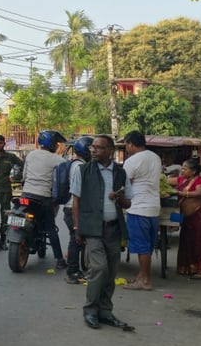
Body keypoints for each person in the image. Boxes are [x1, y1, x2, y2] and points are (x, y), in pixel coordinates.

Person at [70, 134, 133, 330]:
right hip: (92, 229)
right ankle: (90, 310)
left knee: (111, 272)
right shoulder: (83, 170)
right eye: (93, 147)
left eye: (98, 147)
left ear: (110, 151)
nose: (93, 150)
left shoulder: (120, 174)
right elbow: (76, 201)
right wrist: (76, 227)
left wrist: (118, 197)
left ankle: (105, 311)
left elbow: (128, 202)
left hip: (113, 228)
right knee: (99, 268)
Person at [122, 130, 163, 291]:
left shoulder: (132, 161)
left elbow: (126, 184)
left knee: (142, 247)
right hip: (154, 207)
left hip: (138, 207)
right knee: (148, 245)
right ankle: (141, 275)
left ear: (131, 144)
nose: (126, 148)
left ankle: (145, 280)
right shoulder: (155, 157)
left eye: (126, 145)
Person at [21, 130, 68, 268]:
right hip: (44, 197)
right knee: (50, 228)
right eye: (55, 143)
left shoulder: (30, 155)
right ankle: (59, 260)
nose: (56, 146)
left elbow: (24, 176)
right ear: (51, 144)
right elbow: (62, 181)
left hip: (26, 195)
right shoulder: (58, 160)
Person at [61, 136, 93, 284]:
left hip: (70, 207)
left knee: (76, 240)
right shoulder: (80, 167)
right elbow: (78, 193)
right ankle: (72, 272)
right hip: (73, 208)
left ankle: (75, 270)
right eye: (91, 149)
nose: (93, 152)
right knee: (76, 240)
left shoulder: (75, 164)